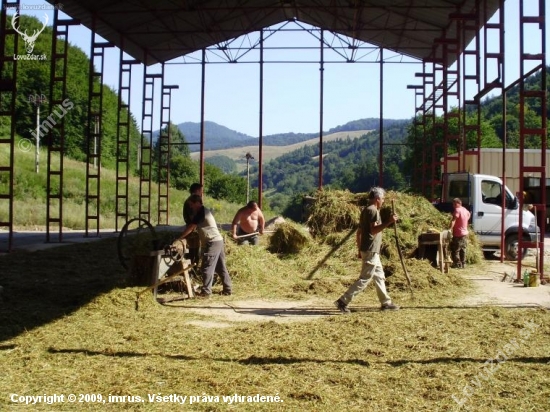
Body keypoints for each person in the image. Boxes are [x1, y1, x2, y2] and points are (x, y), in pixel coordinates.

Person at [334, 187, 400, 314]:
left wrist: (360, 249)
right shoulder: (372, 211)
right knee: (365, 278)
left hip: (370, 250)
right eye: (383, 199)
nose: (384, 201)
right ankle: (343, 301)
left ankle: (386, 303)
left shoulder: (366, 210)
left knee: (380, 276)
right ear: (377, 199)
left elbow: (359, 232)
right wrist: (389, 222)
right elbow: (373, 230)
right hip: (371, 250)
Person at [179, 194, 232, 297]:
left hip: (212, 242)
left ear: (197, 203)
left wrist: (180, 237)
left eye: (191, 205)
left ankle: (206, 292)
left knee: (206, 267)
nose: (191, 207)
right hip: (218, 241)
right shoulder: (202, 211)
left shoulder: (201, 212)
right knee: (220, 267)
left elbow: (191, 227)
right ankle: (228, 289)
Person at [183, 183, 203, 266]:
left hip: (192, 228)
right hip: (193, 231)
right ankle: (192, 269)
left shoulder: (190, 200)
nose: (202, 193)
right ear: (197, 190)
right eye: (201, 190)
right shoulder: (192, 201)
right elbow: (193, 219)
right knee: (193, 251)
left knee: (193, 251)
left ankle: (192, 268)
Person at [449, 197, 471, 269]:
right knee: (463, 249)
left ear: (459, 203)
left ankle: (457, 264)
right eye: (453, 204)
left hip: (458, 233)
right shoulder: (465, 210)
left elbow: (453, 220)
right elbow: (469, 215)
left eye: (455, 204)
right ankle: (463, 263)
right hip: (464, 233)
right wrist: (464, 223)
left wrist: (449, 229)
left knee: (456, 249)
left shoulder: (457, 210)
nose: (453, 205)